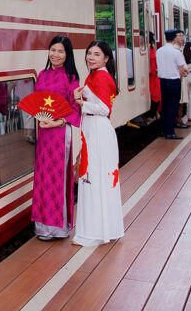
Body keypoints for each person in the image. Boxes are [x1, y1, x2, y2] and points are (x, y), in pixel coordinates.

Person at [72, 40, 124, 247]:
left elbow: (104, 109)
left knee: (94, 178)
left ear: (106, 58)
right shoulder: (96, 75)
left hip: (98, 130)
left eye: (96, 54)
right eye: (89, 53)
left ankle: (94, 233)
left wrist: (81, 103)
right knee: (97, 178)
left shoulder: (101, 76)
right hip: (95, 130)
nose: (90, 57)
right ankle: (103, 229)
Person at [31, 35, 81, 241]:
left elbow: (75, 108)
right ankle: (42, 227)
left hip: (60, 132)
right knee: (42, 177)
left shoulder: (71, 78)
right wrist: (39, 117)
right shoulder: (42, 74)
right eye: (53, 50)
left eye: (61, 51)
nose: (55, 54)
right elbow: (36, 102)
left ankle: (58, 228)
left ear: (67, 55)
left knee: (58, 177)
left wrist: (56, 122)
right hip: (44, 132)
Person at [156, 29, 188, 139]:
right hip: (174, 81)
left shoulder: (159, 51)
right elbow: (181, 69)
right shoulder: (176, 52)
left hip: (162, 81)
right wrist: (183, 74)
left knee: (164, 106)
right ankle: (170, 132)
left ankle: (163, 131)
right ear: (174, 38)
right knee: (172, 107)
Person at [146, 32, 161, 123]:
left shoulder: (151, 49)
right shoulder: (149, 49)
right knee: (154, 94)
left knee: (156, 94)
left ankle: (154, 112)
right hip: (150, 75)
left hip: (154, 75)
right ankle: (153, 113)